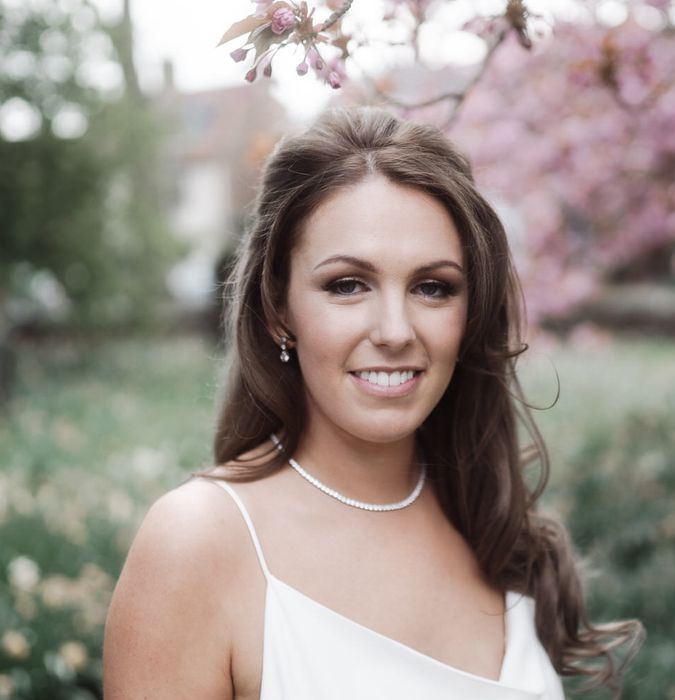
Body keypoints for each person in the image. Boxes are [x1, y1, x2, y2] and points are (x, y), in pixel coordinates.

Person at [103, 107, 642, 699]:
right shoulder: (199, 543)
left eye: (432, 287)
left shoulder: (491, 527)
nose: (394, 330)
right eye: (347, 285)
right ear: (280, 309)